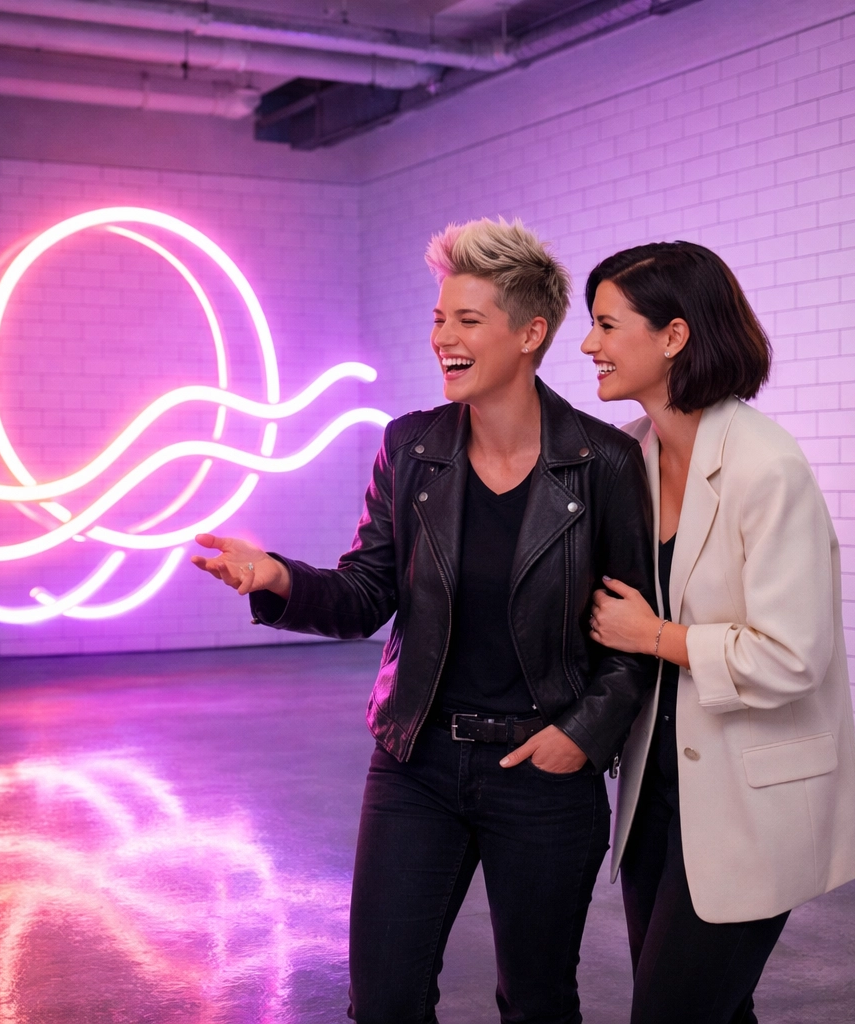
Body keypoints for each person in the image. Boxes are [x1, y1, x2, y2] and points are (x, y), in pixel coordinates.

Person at [192, 217, 657, 1024]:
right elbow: (365, 593)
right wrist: (277, 579)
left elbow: (633, 636)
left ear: (530, 333)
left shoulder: (604, 463)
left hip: (542, 773)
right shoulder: (410, 449)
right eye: (440, 318)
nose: (443, 337)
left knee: (538, 1002)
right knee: (384, 1001)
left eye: (467, 320)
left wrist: (581, 736)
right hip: (416, 763)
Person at [582, 241, 855, 1024]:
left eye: (607, 325)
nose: (590, 345)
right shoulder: (631, 456)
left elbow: (790, 656)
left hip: (752, 801)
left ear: (674, 336)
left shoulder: (766, 466)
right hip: (657, 794)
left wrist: (656, 636)